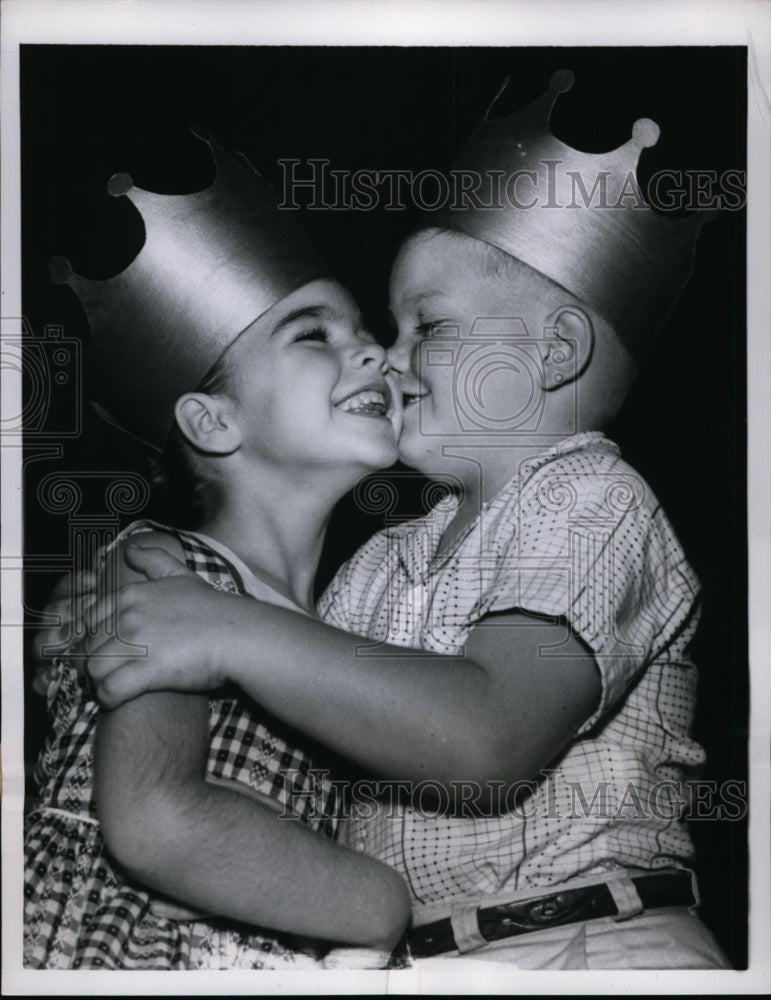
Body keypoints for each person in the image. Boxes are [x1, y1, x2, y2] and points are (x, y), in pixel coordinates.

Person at [37, 72, 731, 969]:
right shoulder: (377, 567)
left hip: (590, 944)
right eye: (377, 331)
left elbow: (486, 740)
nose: (388, 359)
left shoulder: (587, 498)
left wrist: (229, 630)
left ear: (553, 354)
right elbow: (300, 733)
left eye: (424, 328)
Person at [23, 130, 412, 970]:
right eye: (314, 335)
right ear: (212, 422)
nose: (373, 348)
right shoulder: (158, 567)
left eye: (363, 327)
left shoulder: (332, 625)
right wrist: (376, 904)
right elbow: (157, 824)